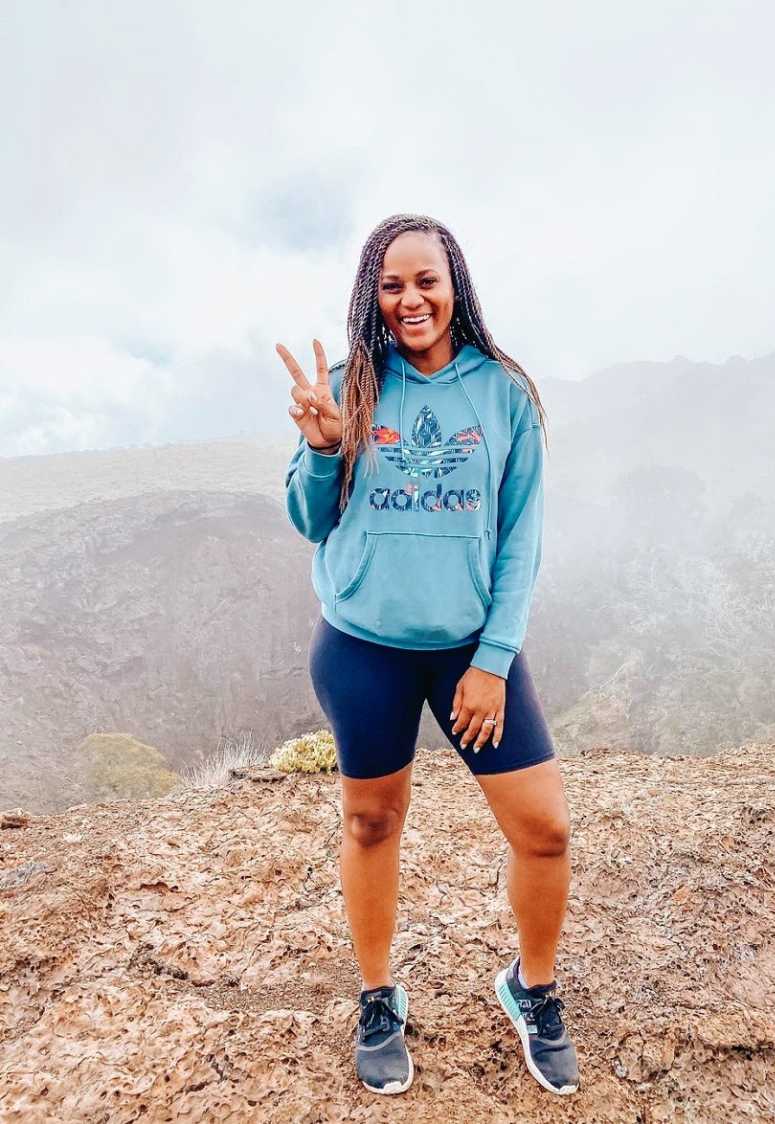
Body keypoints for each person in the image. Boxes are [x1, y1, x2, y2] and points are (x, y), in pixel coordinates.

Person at [278, 214, 579, 1097]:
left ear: (457, 287)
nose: (411, 299)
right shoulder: (347, 387)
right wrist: (325, 446)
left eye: (427, 280)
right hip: (363, 649)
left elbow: (520, 539)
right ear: (372, 295)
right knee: (372, 823)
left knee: (546, 831)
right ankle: (378, 998)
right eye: (391, 284)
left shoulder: (504, 395)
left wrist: (492, 658)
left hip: (468, 656)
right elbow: (310, 522)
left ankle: (533, 987)